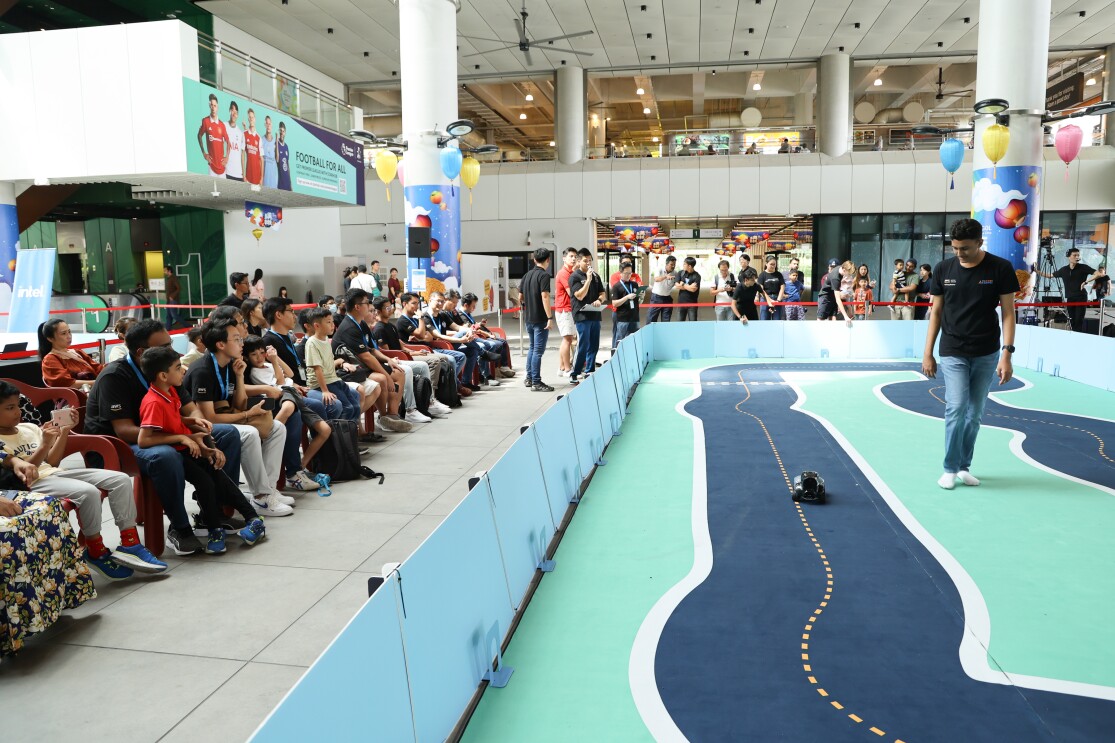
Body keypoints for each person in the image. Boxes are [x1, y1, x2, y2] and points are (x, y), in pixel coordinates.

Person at [84, 319, 244, 556]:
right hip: (118, 446)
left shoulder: (168, 367)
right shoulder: (114, 376)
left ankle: (212, 512)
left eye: (171, 344)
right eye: (166, 345)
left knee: (226, 433)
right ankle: (179, 528)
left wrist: (199, 427)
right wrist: (180, 436)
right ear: (141, 352)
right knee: (165, 456)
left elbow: (190, 409)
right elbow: (125, 430)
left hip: (162, 434)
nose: (173, 350)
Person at [0, 381, 167, 578]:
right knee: (88, 492)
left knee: (120, 479)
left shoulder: (28, 427)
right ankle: (95, 549)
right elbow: (28, 472)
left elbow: (53, 461)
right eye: (10, 408)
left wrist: (63, 432)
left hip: (54, 473)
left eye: (18, 405)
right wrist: (44, 444)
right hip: (32, 484)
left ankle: (130, 542)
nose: (17, 411)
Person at [138, 346, 266, 552]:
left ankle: (252, 518)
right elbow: (144, 439)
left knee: (217, 472)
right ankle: (216, 528)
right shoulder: (153, 401)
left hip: (187, 447)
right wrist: (183, 437)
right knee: (207, 481)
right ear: (163, 375)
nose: (183, 371)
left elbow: (172, 420)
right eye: (178, 367)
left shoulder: (169, 391)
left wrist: (191, 424)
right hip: (178, 451)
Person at [922, 218, 1019, 490]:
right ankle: (949, 468)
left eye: (965, 248)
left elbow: (1009, 314)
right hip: (952, 350)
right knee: (956, 407)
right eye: (954, 248)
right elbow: (936, 313)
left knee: (975, 413)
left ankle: (964, 466)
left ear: (979, 242)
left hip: (986, 351)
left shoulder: (1000, 268)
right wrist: (927, 353)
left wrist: (1007, 354)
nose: (959, 253)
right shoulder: (943, 269)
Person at [183, 319, 293, 517]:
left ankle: (268, 488)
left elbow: (240, 403)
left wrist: (240, 376)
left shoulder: (231, 365)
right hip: (202, 427)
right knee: (249, 433)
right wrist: (248, 415)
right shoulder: (202, 370)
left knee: (277, 428)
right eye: (236, 339)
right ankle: (260, 497)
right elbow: (209, 418)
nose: (242, 342)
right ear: (220, 344)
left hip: (228, 414)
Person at [242, 335, 332, 489]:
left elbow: (290, 374)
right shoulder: (255, 372)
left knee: (323, 424)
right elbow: (281, 382)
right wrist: (275, 362)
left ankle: (302, 466)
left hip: (290, 392)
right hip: (282, 395)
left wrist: (275, 358)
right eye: (254, 355)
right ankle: (275, 439)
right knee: (291, 411)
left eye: (262, 353)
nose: (259, 357)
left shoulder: (267, 364)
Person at [335, 289, 422, 427]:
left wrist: (388, 360)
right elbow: (366, 357)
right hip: (350, 369)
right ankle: (383, 417)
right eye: (366, 303)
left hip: (362, 365)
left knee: (399, 371)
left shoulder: (361, 324)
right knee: (382, 379)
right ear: (357, 307)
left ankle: (392, 415)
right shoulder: (348, 327)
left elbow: (371, 350)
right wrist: (385, 375)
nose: (370, 306)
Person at [304, 307, 363, 422]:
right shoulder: (312, 343)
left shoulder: (325, 339)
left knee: (356, 404)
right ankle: (339, 434)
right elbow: (318, 370)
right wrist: (325, 391)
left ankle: (351, 432)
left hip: (334, 380)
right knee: (348, 407)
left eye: (332, 322)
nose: (332, 325)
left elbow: (329, 364)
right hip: (322, 384)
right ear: (317, 326)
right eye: (328, 322)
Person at [1036, 247, 1098, 332]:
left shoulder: (1083, 267)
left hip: (1081, 297)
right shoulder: (1064, 270)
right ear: (1069, 257)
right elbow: (1050, 275)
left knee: (1078, 321)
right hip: (1070, 298)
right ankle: (1072, 338)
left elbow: (1098, 274)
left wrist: (1086, 282)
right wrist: (1037, 271)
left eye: (1078, 255)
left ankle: (1077, 338)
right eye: (1074, 255)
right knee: (1071, 320)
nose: (1077, 257)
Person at [568, 248, 606, 384]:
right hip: (581, 315)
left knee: (594, 344)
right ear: (578, 261)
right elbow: (580, 295)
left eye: (590, 260)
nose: (588, 263)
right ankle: (575, 372)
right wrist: (588, 280)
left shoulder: (596, 276)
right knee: (583, 344)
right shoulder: (575, 277)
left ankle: (590, 370)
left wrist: (599, 300)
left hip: (594, 314)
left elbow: (602, 293)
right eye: (585, 261)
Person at [519, 248, 555, 391]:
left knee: (533, 348)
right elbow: (545, 296)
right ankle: (536, 382)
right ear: (548, 260)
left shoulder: (526, 275)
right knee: (538, 351)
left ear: (534, 260)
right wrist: (549, 317)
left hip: (529, 318)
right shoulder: (544, 276)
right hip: (540, 319)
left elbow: (520, 297)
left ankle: (529, 378)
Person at [39, 319, 102, 391]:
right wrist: (97, 383)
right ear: (50, 338)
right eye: (63, 333)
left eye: (69, 332)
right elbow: (68, 384)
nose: (69, 336)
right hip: (78, 397)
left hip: (95, 391)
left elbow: (97, 368)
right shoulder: (50, 359)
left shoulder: (77, 352)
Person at [554, 247, 578, 378]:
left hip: (569, 309)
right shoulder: (563, 273)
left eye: (575, 256)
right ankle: (568, 369)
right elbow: (571, 293)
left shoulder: (571, 273)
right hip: (564, 309)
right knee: (567, 339)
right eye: (571, 256)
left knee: (567, 339)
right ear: (564, 258)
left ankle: (562, 367)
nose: (573, 259)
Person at [197, 93, 229, 178]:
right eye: (211, 105)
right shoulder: (206, 121)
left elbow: (228, 143)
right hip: (211, 167)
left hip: (222, 168)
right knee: (212, 191)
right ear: (209, 106)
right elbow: (199, 135)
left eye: (215, 105)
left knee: (223, 191)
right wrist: (204, 153)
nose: (213, 107)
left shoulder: (222, 125)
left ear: (217, 107)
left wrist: (227, 158)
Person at [610, 262, 640, 348]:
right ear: (620, 273)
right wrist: (627, 297)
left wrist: (641, 296)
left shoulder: (634, 284)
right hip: (623, 318)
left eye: (630, 273)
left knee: (634, 341)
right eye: (626, 273)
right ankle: (618, 359)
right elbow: (614, 303)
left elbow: (638, 302)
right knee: (620, 341)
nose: (628, 275)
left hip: (634, 317)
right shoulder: (616, 287)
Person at [647, 255, 678, 323]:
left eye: (674, 265)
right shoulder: (659, 269)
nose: (673, 266)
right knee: (651, 319)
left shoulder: (675, 273)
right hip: (656, 298)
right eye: (671, 264)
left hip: (667, 298)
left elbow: (677, 283)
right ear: (666, 264)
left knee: (666, 320)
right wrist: (665, 277)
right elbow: (656, 279)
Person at [757, 255, 786, 320]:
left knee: (777, 320)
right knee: (764, 320)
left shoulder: (779, 274)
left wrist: (778, 300)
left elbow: (782, 287)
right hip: (765, 299)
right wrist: (769, 300)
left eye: (774, 264)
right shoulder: (762, 275)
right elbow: (760, 289)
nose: (773, 266)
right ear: (766, 264)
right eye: (771, 264)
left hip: (777, 298)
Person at [676, 257, 702, 321]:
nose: (683, 265)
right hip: (681, 303)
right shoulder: (680, 273)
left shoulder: (697, 276)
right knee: (679, 324)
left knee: (693, 325)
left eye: (684, 264)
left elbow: (693, 289)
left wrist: (683, 284)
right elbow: (677, 286)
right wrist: (689, 287)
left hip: (692, 304)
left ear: (689, 266)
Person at [225, 101, 244, 182]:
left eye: (236, 112)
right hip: (227, 172)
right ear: (229, 111)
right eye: (232, 110)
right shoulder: (224, 126)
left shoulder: (240, 133)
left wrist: (243, 173)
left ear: (237, 115)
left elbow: (242, 155)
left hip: (238, 174)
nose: (234, 113)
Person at [244, 108, 262, 187]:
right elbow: (248, 139)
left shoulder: (259, 138)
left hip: (257, 179)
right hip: (248, 177)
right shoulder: (245, 135)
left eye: (252, 117)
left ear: (255, 119)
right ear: (248, 119)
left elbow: (261, 159)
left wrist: (261, 178)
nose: (251, 118)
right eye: (249, 117)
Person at [261, 116, 278, 189]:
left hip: (274, 183)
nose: (268, 126)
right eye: (267, 124)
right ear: (265, 125)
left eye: (269, 124)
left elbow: (277, 160)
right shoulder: (261, 140)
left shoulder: (275, 142)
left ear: (272, 125)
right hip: (264, 183)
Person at [276, 121, 291, 191]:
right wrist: (276, 141)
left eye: (283, 131)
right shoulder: (276, 144)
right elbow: (277, 159)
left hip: (288, 183)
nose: (282, 133)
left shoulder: (286, 146)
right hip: (280, 184)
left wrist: (290, 183)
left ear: (285, 133)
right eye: (280, 131)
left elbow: (288, 165)